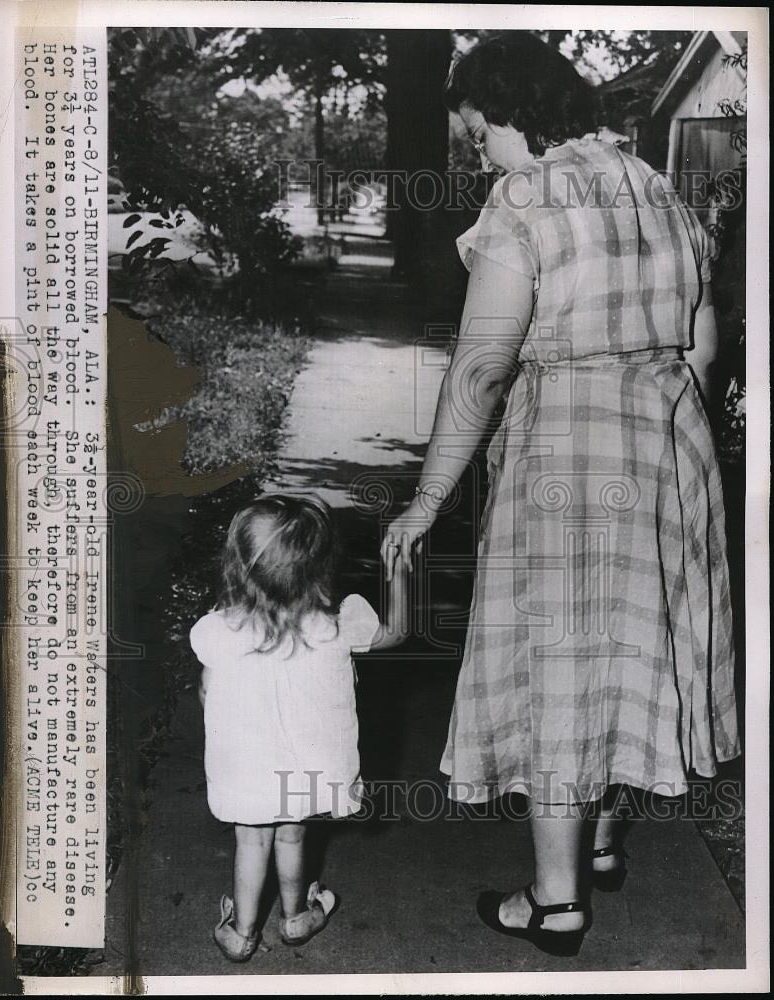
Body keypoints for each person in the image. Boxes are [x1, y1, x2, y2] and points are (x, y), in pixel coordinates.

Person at [382, 33, 739, 957]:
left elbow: (481, 366)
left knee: (561, 661)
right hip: (668, 449)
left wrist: (425, 503)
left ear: (506, 112)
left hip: (568, 459)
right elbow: (701, 352)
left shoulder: (524, 199)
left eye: (476, 132)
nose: (477, 152)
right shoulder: (660, 190)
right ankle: (604, 847)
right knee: (631, 645)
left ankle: (554, 902)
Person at [191, 493, 408, 961]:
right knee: (292, 833)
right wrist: (400, 572)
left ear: (239, 565)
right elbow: (396, 633)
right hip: (304, 770)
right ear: (319, 566)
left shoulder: (220, 629)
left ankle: (240, 932)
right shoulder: (335, 625)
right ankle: (296, 916)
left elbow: (208, 687)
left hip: (249, 767)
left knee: (251, 839)